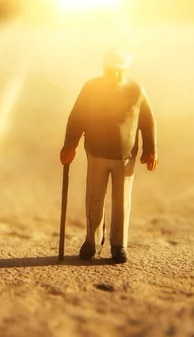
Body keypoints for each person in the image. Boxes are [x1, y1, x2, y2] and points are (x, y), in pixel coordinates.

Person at [60, 48, 158, 264]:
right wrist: (70, 144)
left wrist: (150, 149)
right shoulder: (91, 88)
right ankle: (91, 241)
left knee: (122, 201)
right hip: (96, 151)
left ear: (125, 70)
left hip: (125, 155)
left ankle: (119, 244)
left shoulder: (135, 90)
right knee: (94, 198)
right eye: (109, 70)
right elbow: (78, 116)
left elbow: (147, 119)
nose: (113, 75)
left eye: (118, 71)